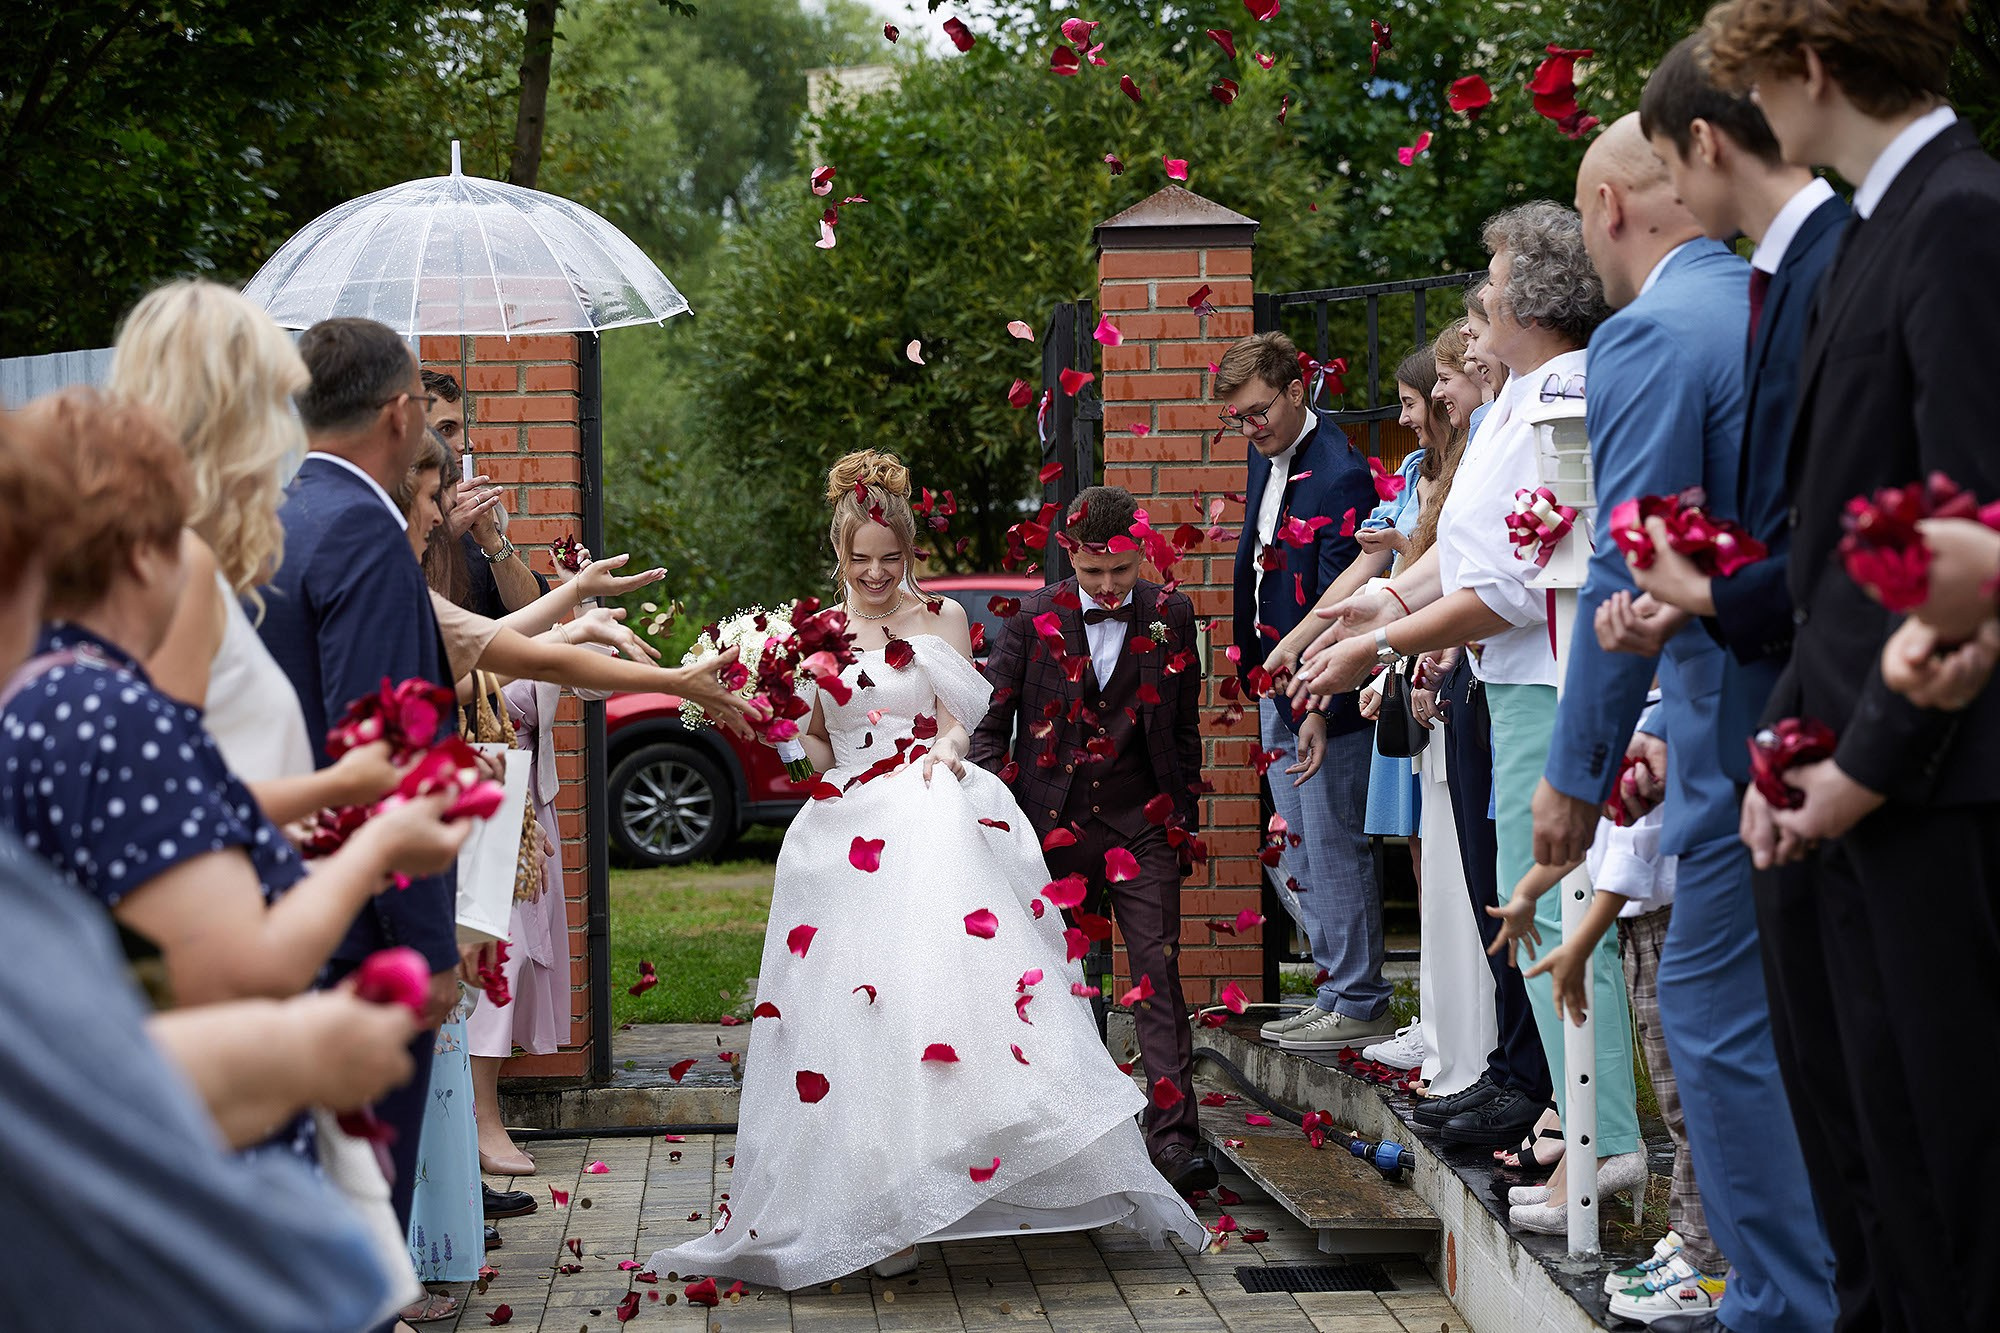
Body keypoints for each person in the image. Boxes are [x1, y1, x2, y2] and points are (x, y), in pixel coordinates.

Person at [647, 452, 1206, 1291]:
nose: (876, 574)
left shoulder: (941, 618)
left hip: (931, 807)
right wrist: (777, 723)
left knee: (940, 999)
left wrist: (944, 754)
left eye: (890, 558)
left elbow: (960, 720)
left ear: (909, 552)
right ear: (838, 555)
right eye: (860, 560)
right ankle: (877, 1201)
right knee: (855, 1017)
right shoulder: (808, 635)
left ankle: (969, 1164)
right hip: (847, 826)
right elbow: (820, 750)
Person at [0, 400, 419, 1333]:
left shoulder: (35, 701)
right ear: (147, 554)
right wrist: (381, 846)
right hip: (175, 1204)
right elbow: (234, 971)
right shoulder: (113, 712)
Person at [1707, 3, 2000, 1328]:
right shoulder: (1883, 226)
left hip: (1930, 787)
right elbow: (1833, 561)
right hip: (1835, 783)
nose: (1755, 110)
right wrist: (1782, 755)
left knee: (1947, 1185)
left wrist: (1864, 766)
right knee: (1868, 1175)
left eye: (1758, 80)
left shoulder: (1961, 216)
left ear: (1812, 67)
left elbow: (1969, 528)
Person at [1290, 203, 1622, 1163]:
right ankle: (1570, 1121)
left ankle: (1593, 1133)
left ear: (1536, 299)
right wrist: (1387, 596)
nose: (1481, 302)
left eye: (1496, 283)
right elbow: (1469, 549)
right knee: (1527, 900)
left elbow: (1514, 582)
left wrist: (1379, 641)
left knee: (1552, 905)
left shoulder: (1562, 396)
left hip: (1548, 675)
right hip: (1513, 679)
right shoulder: (1518, 398)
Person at [970, 484, 1213, 1193]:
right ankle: (1069, 1134)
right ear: (1069, 556)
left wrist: (1183, 819)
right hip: (1055, 825)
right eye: (1092, 571)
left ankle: (1174, 1141)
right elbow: (991, 726)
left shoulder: (1171, 613)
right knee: (1058, 981)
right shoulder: (1033, 619)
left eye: (1121, 570)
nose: (1107, 587)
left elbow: (1185, 728)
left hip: (1144, 823)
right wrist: (996, 817)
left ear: (1142, 554)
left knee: (1157, 973)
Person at [1493, 700, 1724, 1305]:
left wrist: (1578, 943)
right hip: (1644, 936)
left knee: (1702, 1105)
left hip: (1680, 928)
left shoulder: (1668, 731)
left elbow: (1628, 858)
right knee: (1681, 1106)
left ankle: (1712, 1260)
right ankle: (1694, 1239)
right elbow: (1590, 835)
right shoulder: (1632, 723)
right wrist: (1527, 893)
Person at [1217, 331, 1394, 1055]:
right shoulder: (1267, 457)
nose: (1249, 428)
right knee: (1293, 848)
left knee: (1330, 844)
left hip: (1323, 688)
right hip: (1275, 679)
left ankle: (1359, 999)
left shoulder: (1341, 473)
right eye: (1237, 418)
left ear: (1297, 390)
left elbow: (1338, 602)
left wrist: (1317, 700)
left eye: (1258, 412)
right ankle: (1335, 989)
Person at [422, 368, 546, 618]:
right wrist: (442, 537)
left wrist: (492, 541)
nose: (467, 444)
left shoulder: (470, 525)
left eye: (465, 428)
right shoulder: (380, 518)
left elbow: (533, 612)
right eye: (447, 429)